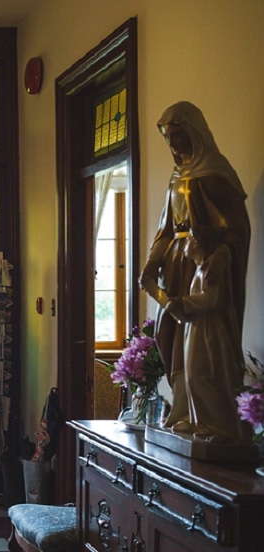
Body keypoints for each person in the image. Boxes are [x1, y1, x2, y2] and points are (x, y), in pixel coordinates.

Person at [139, 101, 250, 430]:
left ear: (194, 134)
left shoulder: (217, 174)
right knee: (168, 333)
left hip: (201, 265)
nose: (173, 145)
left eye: (177, 136)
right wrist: (150, 265)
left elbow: (237, 229)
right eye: (168, 138)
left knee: (203, 346)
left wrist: (221, 253)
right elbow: (167, 230)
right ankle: (183, 409)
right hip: (175, 266)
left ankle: (207, 417)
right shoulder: (176, 178)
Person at [163, 227, 250, 443]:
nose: (184, 245)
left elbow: (211, 300)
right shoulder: (199, 270)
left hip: (208, 332)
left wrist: (182, 303)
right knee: (193, 376)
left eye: (189, 240)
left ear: (200, 244)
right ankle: (199, 422)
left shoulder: (209, 270)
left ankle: (218, 428)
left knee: (203, 375)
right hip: (196, 328)